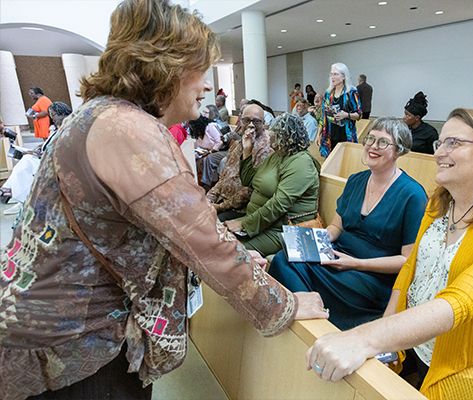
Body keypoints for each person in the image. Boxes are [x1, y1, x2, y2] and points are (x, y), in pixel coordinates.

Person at [0, 2, 328, 399]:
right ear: (167, 65)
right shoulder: (127, 130)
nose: (207, 86)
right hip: (78, 347)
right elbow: (205, 243)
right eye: (202, 70)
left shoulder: (99, 116)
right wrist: (284, 305)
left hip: (53, 329)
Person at [306, 108, 473, 400]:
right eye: (440, 143)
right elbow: (409, 272)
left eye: (453, 143)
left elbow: (463, 299)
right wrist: (385, 341)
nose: (438, 153)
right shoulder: (440, 204)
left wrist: (365, 337)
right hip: (417, 343)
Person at [269, 117, 427, 330]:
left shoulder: (413, 195)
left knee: (300, 271)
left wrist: (355, 263)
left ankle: (320, 326)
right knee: (283, 258)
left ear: (399, 150)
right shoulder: (355, 180)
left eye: (382, 142)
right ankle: (311, 320)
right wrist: (317, 240)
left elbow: (407, 261)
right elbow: (336, 227)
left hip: (372, 275)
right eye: (370, 139)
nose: (372, 146)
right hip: (337, 255)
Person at [223, 113, 320, 257]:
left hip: (283, 229)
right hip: (261, 222)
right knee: (214, 237)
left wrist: (244, 224)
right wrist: (247, 150)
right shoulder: (277, 156)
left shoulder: (302, 163)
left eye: (272, 131)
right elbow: (248, 180)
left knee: (227, 251)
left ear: (284, 135)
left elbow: (279, 204)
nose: (269, 134)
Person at [1, 102, 73, 215]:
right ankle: (14, 193)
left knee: (26, 162)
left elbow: (62, 150)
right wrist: (39, 151)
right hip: (47, 159)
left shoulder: (69, 128)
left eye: (53, 115)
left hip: (55, 164)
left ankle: (15, 195)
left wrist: (43, 154)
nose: (52, 118)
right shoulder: (58, 129)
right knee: (27, 159)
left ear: (63, 114)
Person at [207, 104, 273, 221]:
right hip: (224, 200)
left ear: (263, 123)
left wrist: (220, 207)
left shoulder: (266, 151)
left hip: (242, 209)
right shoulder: (237, 145)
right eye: (246, 120)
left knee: (209, 224)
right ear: (241, 121)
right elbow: (224, 177)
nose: (251, 125)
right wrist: (209, 198)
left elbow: (249, 191)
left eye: (256, 121)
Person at [317, 62, 361, 158]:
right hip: (330, 135)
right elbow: (323, 116)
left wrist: (346, 115)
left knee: (345, 161)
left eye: (336, 74)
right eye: (331, 74)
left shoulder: (351, 93)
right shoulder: (328, 94)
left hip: (345, 135)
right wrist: (318, 135)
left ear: (344, 76)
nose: (332, 77)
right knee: (330, 163)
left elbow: (358, 115)